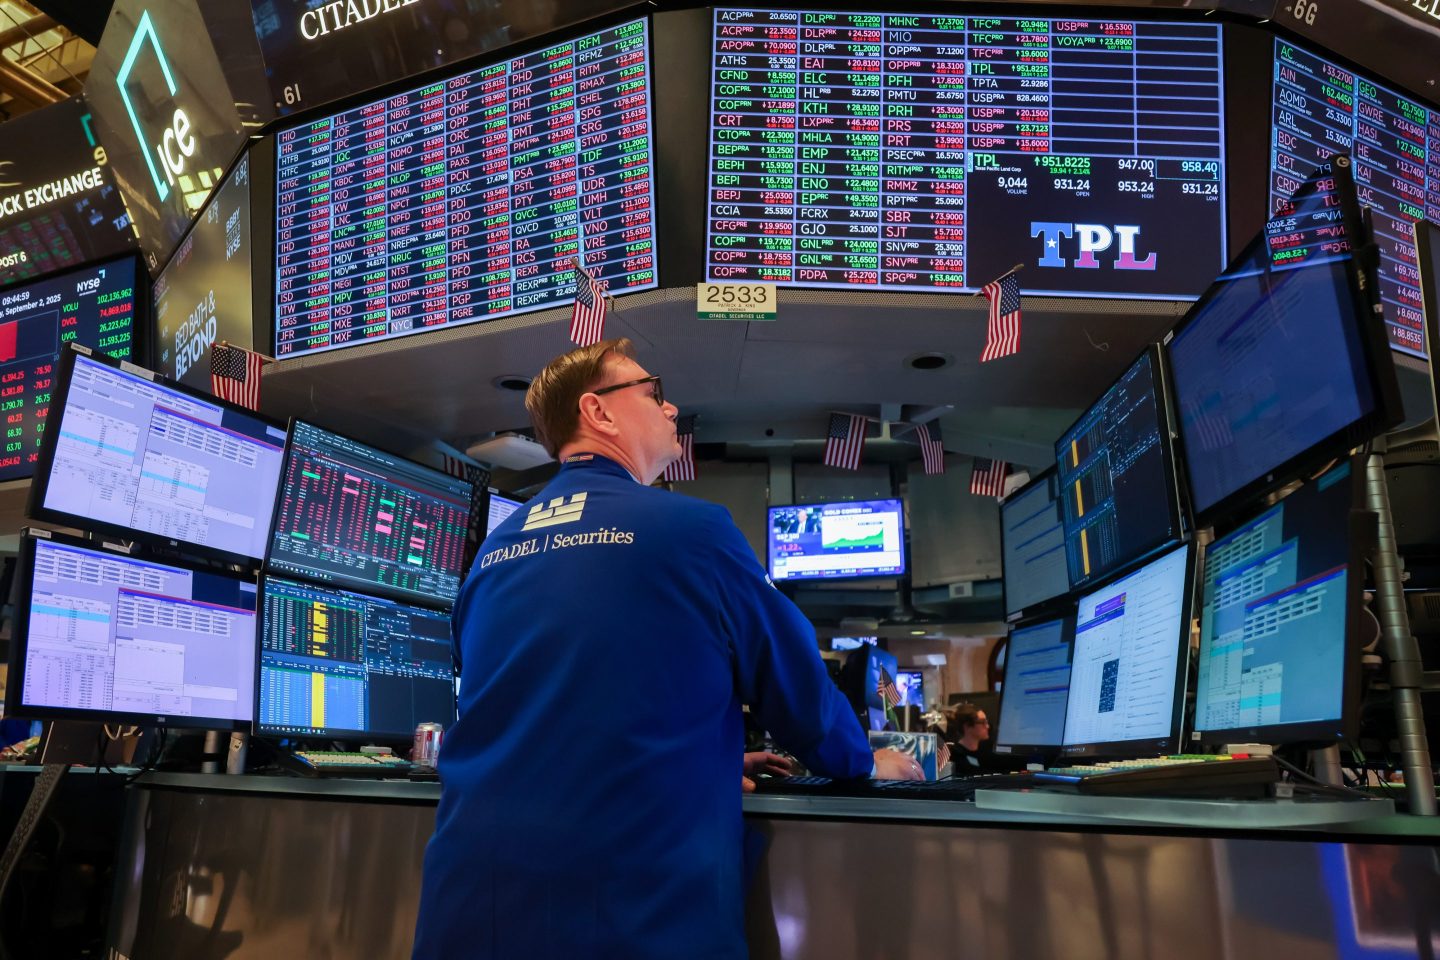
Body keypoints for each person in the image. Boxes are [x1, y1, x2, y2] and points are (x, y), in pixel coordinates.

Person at [413, 338, 921, 960]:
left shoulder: (493, 553)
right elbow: (794, 688)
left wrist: (697, 763)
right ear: (598, 413)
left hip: (469, 913)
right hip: (626, 919)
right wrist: (865, 763)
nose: (672, 408)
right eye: (653, 393)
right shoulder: (695, 531)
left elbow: (541, 717)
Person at [947, 702, 994, 775]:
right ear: (967, 726)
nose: (987, 726)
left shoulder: (987, 750)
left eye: (986, 722)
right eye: (983, 722)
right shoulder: (957, 756)